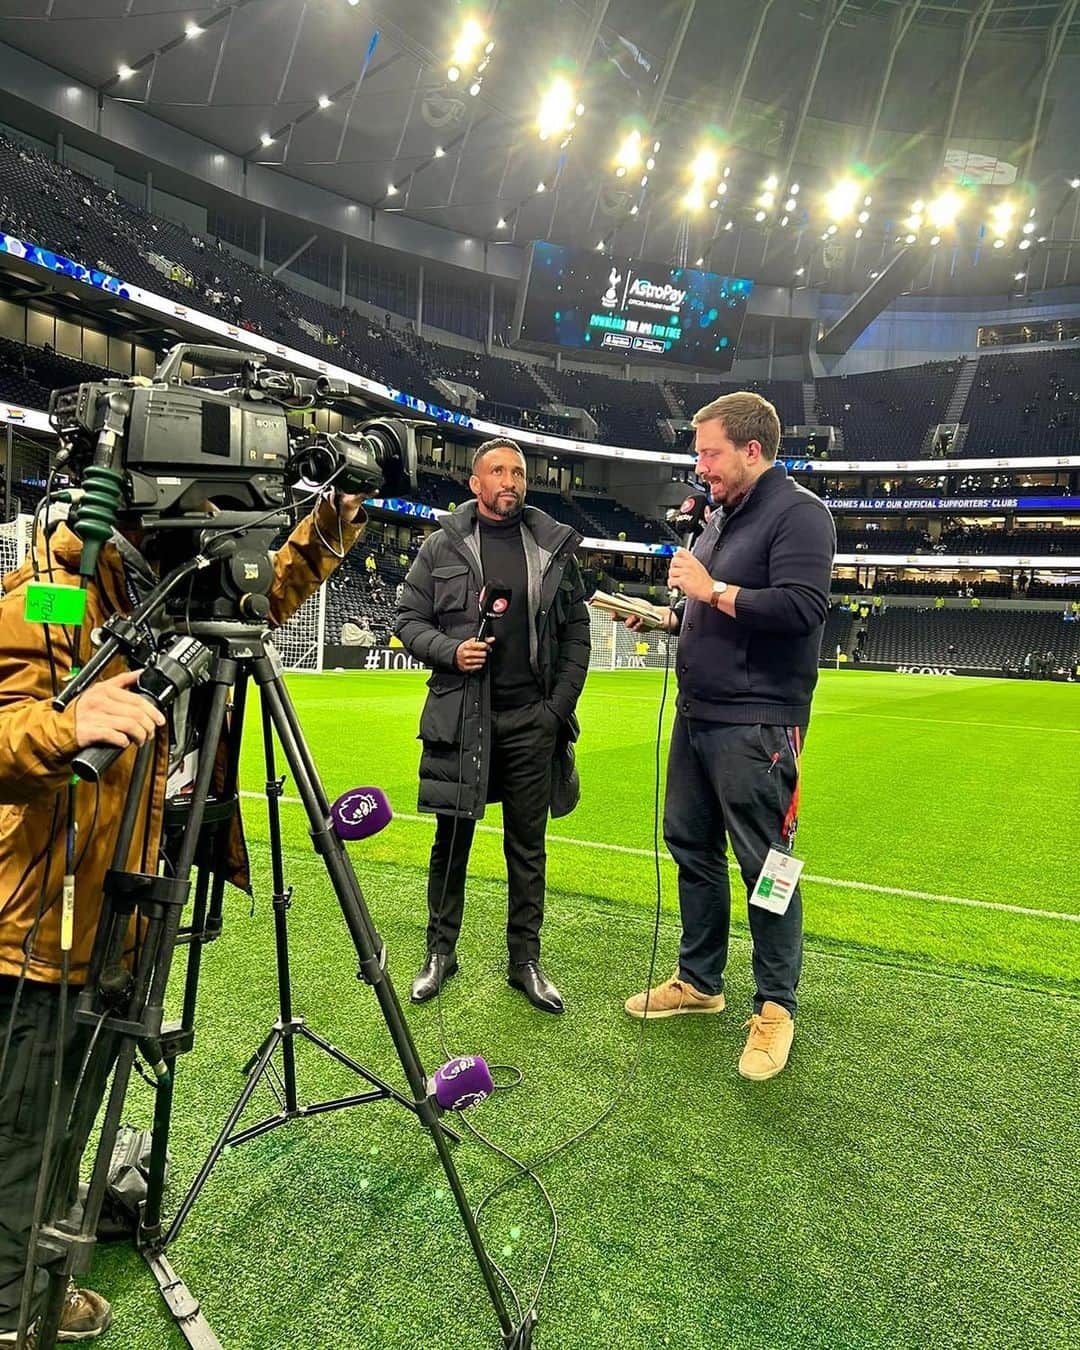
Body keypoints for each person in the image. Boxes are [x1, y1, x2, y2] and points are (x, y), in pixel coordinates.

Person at [0, 489, 366, 1344]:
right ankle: (14, 1305)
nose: (236, 535)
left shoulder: (177, 589)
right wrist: (62, 727)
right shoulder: (55, 593)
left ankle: (34, 1274)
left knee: (67, 1117)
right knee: (27, 1129)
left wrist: (328, 527)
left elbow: (260, 598)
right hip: (46, 923)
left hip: (126, 906)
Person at [622, 392, 835, 1082]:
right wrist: (667, 616)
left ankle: (776, 1005)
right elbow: (710, 603)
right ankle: (700, 980)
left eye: (709, 452)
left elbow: (802, 607)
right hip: (699, 712)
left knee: (767, 866)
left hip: (758, 720)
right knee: (691, 845)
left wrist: (710, 593)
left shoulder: (799, 512)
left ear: (751, 449)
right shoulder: (718, 518)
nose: (699, 465)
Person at [395, 438, 590, 1014]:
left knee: (527, 848)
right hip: (462, 720)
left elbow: (576, 633)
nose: (510, 480)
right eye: (498, 471)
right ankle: (439, 953)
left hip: (534, 722)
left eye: (519, 472)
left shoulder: (552, 547)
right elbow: (407, 620)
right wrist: (451, 652)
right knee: (450, 842)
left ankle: (524, 960)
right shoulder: (440, 547)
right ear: (475, 484)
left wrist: (555, 710)